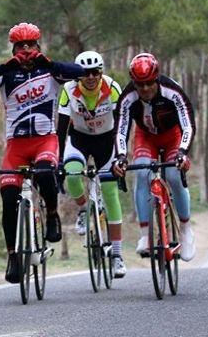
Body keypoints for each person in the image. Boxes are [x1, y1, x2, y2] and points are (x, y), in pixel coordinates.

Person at [0, 22, 84, 283]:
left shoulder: (51, 72)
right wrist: (6, 65)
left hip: (45, 140)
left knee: (45, 172)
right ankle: (13, 256)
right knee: (9, 197)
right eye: (20, 46)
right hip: (16, 146)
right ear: (13, 48)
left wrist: (49, 62)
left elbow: (78, 71)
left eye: (30, 45)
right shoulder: (6, 76)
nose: (25, 50)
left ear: (38, 46)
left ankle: (53, 215)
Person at [111, 52, 196, 261]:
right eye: (140, 84)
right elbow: (120, 131)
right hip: (145, 136)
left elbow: (188, 126)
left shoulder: (172, 91)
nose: (146, 89)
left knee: (174, 176)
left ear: (157, 79)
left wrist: (183, 152)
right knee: (141, 174)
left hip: (173, 136)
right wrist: (120, 157)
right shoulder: (127, 97)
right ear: (134, 83)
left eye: (150, 83)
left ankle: (185, 231)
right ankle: (145, 236)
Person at [57, 50, 127, 278]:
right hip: (79, 139)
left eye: (95, 72)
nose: (91, 77)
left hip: (107, 141)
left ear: (101, 72)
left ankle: (117, 255)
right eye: (85, 73)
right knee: (73, 174)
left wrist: (121, 154)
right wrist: (58, 158)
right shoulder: (68, 90)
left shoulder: (113, 87)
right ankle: (84, 209)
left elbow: (122, 123)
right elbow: (61, 127)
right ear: (78, 75)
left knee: (110, 192)